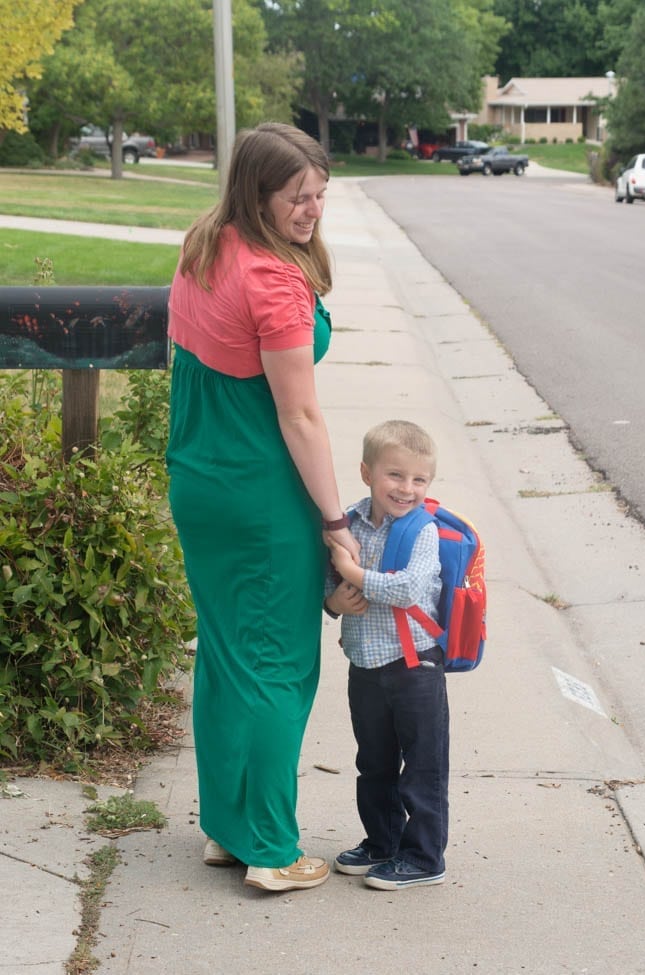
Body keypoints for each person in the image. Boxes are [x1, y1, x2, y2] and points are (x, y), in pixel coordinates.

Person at [165, 122, 359, 893]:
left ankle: (228, 828)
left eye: (319, 195)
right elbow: (301, 417)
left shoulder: (206, 241)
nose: (312, 210)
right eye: (296, 198)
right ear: (258, 192)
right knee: (278, 665)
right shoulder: (275, 282)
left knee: (225, 655)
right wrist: (337, 524)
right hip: (258, 490)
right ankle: (273, 849)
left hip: (200, 475)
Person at [324, 419, 449, 891]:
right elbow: (328, 581)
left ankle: (424, 857)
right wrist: (333, 601)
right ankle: (383, 842)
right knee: (374, 762)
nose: (407, 488)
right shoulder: (348, 524)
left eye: (420, 479)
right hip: (366, 664)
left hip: (416, 665)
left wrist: (352, 572)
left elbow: (408, 589)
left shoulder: (423, 531)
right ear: (367, 473)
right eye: (395, 475)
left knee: (423, 765)